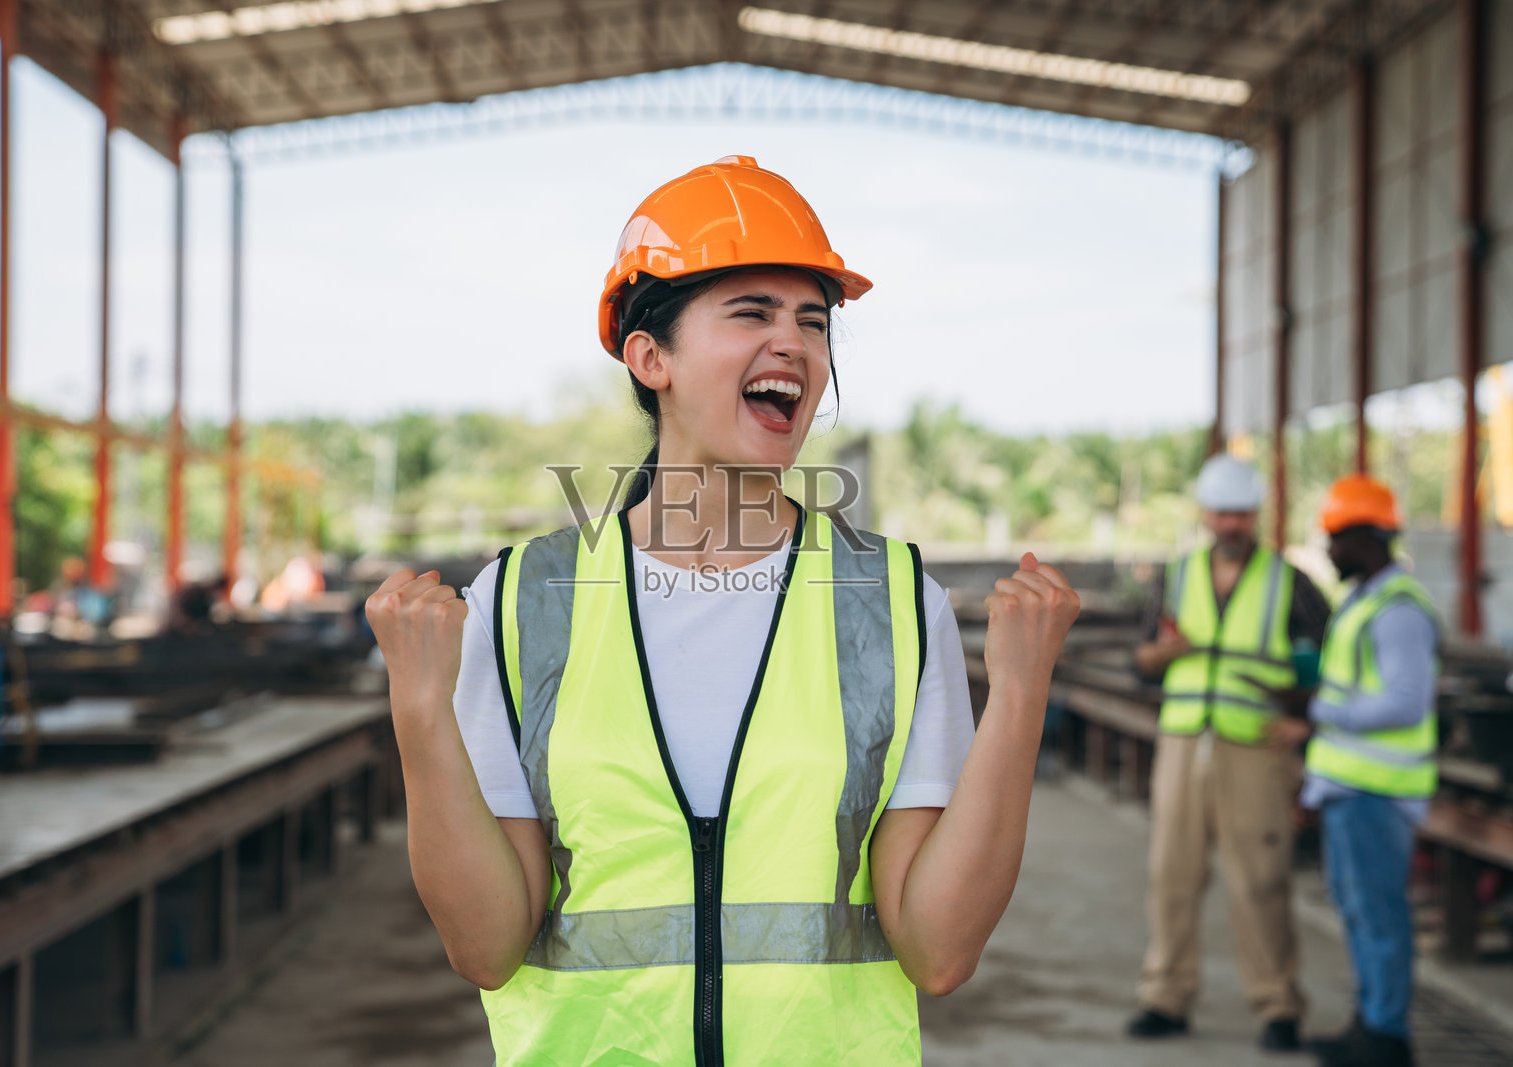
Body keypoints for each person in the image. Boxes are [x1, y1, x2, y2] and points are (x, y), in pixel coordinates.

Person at [364, 155, 1081, 1065]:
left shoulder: (892, 603)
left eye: (813, 322)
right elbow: (486, 946)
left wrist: (1018, 697)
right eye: (752, 312)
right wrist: (419, 710)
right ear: (649, 356)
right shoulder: (523, 603)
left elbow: (938, 951)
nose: (795, 344)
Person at [1127, 453, 1331, 1052]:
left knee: (1262, 880)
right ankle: (1165, 997)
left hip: (1256, 747)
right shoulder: (1177, 576)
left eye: (1241, 513)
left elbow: (1335, 660)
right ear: (1205, 514)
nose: (1231, 524)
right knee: (1171, 877)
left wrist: (1307, 721)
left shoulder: (1289, 581)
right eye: (1221, 513)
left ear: (1256, 514)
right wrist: (1166, 653)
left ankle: (1278, 1006)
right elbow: (1142, 660)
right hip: (1183, 741)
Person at [1280, 475, 1437, 1067]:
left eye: (1334, 539)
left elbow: (1406, 702)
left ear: (1365, 538)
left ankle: (1386, 1035)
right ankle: (1371, 1025)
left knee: (1377, 915)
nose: (1328, 550)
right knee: (1359, 911)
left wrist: (1317, 709)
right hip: (1351, 786)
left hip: (1377, 790)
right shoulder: (1365, 600)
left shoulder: (1397, 611)